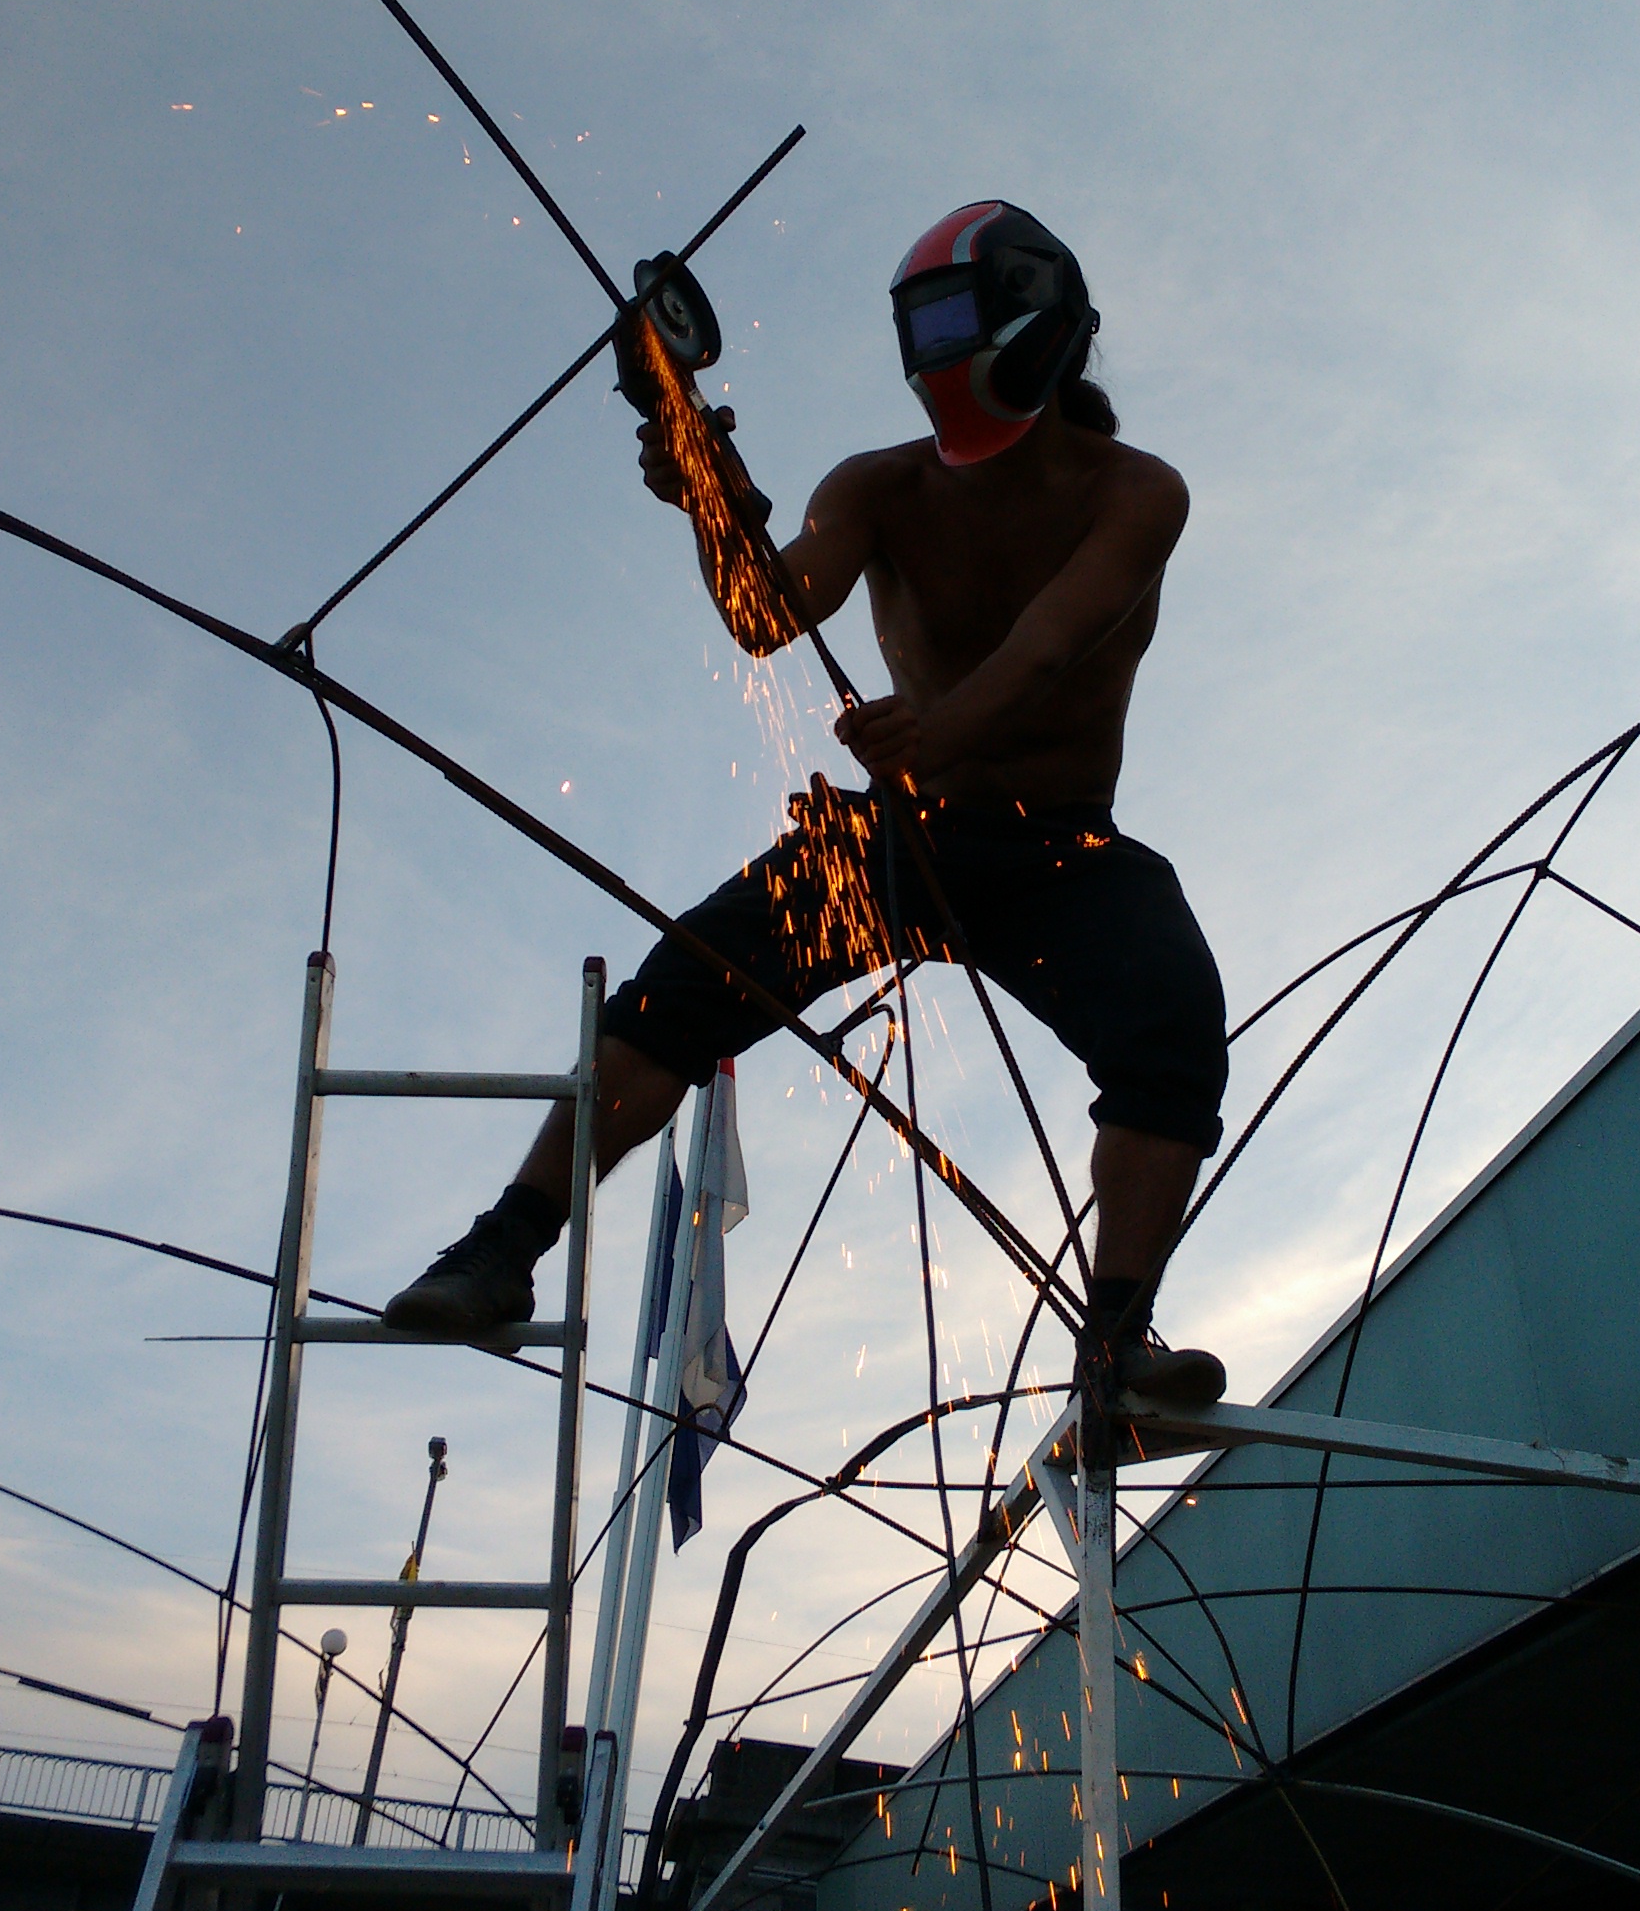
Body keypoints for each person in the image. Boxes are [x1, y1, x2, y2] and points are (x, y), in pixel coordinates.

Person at [383, 200, 1229, 1417]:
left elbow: (1052, 644)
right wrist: (704, 489)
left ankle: (1116, 1351)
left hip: (1060, 847)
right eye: (922, 332)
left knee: (1172, 1026)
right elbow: (765, 610)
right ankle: (500, 1249)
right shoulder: (880, 486)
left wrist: (934, 738)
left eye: (957, 323)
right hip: (903, 837)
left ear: (1039, 319)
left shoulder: (1139, 492)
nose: (938, 358)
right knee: (682, 988)